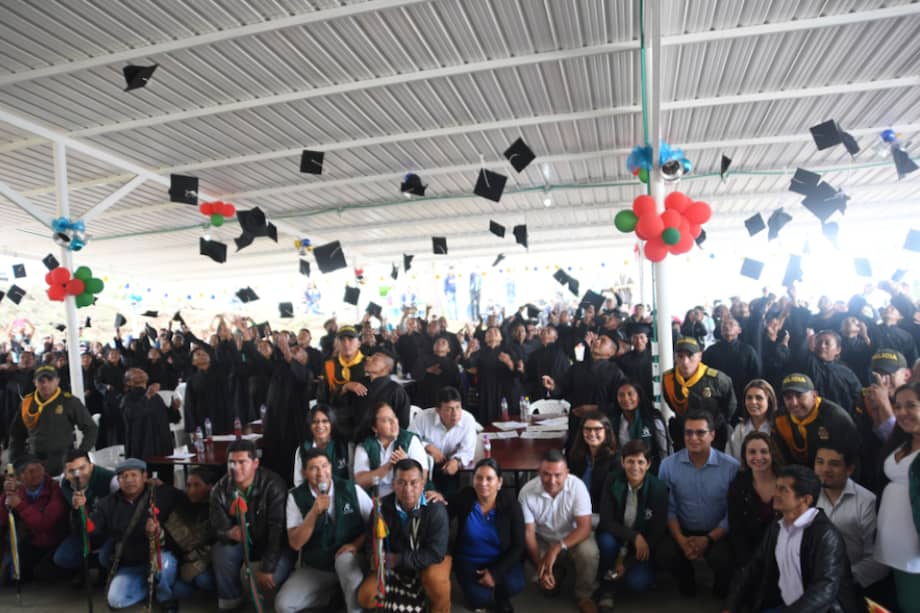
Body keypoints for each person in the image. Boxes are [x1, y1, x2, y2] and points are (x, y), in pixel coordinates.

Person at [724, 465, 863, 613]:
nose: (775, 494)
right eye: (776, 487)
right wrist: (730, 607)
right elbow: (753, 568)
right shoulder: (777, 527)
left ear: (806, 500)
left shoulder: (825, 535)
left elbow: (824, 589)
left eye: (783, 490)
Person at [276, 448, 372, 613]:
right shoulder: (295, 496)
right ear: (304, 472)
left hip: (351, 560)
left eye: (324, 466)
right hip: (317, 567)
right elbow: (295, 543)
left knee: (344, 562)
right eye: (313, 468)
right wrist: (313, 513)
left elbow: (376, 522)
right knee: (284, 605)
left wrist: (356, 544)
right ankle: (334, 594)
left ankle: (352, 607)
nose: (321, 473)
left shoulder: (350, 489)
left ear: (331, 467)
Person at [657, 410, 739, 598]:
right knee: (664, 553)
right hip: (683, 530)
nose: (693, 438)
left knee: (724, 560)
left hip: (717, 532)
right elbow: (668, 508)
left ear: (712, 435)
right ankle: (686, 580)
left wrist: (709, 539)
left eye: (700, 433)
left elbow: (732, 513)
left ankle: (721, 586)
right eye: (688, 433)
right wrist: (681, 540)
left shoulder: (730, 467)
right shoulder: (668, 466)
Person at [81, 458, 182, 611]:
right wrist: (80, 512)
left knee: (164, 566)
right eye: (123, 476)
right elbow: (92, 528)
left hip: (159, 555)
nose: (129, 480)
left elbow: (190, 499)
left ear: (145, 476)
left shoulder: (163, 494)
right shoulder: (107, 503)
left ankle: (165, 597)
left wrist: (158, 531)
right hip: (130, 563)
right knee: (116, 600)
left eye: (134, 475)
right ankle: (149, 587)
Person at [357, 459, 452, 613]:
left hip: (430, 559)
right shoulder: (381, 508)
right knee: (366, 596)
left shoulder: (435, 509)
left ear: (422, 484)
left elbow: (436, 553)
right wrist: (374, 557)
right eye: (401, 482)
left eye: (414, 483)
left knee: (436, 581)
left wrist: (398, 559)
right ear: (394, 484)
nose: (408, 489)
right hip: (393, 561)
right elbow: (371, 541)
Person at [209, 440, 292, 611]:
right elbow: (217, 527)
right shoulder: (220, 489)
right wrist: (228, 533)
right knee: (221, 552)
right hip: (241, 544)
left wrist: (267, 567)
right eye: (231, 462)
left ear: (255, 463)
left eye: (242, 462)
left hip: (274, 544)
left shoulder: (273, 484)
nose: (235, 467)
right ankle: (230, 601)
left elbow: (278, 530)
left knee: (270, 579)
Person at [518, 449, 599, 613]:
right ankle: (555, 571)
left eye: (558, 475)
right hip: (543, 539)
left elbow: (585, 527)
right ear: (538, 472)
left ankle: (584, 595)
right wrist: (540, 565)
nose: (552, 480)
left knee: (589, 553)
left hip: (574, 537)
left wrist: (557, 547)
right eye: (546, 474)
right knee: (548, 591)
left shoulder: (578, 487)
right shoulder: (526, 492)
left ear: (567, 473)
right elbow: (529, 533)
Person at [595, 440, 668, 612]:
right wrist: (634, 536)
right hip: (618, 537)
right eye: (630, 461)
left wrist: (627, 564)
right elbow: (606, 520)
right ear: (622, 462)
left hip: (642, 546)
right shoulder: (612, 480)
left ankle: (627, 572)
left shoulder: (658, 488)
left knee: (637, 583)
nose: (635, 467)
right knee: (605, 541)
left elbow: (657, 532)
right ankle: (607, 588)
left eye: (641, 462)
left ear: (649, 464)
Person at [447, 458, 525, 613]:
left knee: (515, 585)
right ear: (473, 479)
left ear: (500, 482)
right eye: (479, 478)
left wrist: (495, 573)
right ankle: (483, 594)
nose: (483, 483)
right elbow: (445, 507)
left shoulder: (510, 504)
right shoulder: (466, 497)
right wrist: (435, 496)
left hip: (500, 558)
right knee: (479, 600)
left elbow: (519, 546)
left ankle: (501, 597)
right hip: (469, 559)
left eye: (489, 478)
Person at [813, 442, 889, 591]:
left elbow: (878, 562)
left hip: (854, 586)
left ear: (849, 469)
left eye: (834, 464)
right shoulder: (807, 497)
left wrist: (837, 578)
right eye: (820, 462)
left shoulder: (867, 502)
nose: (825, 469)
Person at [874, 381, 920, 611]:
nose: (902, 412)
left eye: (911, 405)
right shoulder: (901, 441)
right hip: (891, 545)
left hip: (915, 550)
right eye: (898, 406)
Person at [9, 364, 98, 477]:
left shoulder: (69, 401)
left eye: (50, 380)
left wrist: (81, 452)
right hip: (34, 460)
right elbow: (16, 433)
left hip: (63, 460)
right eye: (41, 381)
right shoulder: (27, 403)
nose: (45, 384)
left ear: (57, 381)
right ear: (34, 382)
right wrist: (15, 460)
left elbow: (90, 428)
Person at [0, 454, 68, 582]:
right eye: (31, 471)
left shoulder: (55, 488)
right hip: (31, 542)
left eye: (40, 469)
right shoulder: (18, 489)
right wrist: (6, 496)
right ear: (20, 477)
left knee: (44, 573)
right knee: (9, 577)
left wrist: (20, 505)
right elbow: (2, 519)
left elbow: (46, 523)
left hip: (53, 542)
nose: (38, 474)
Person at [660, 337, 736, 452]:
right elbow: (671, 404)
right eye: (680, 356)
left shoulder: (717, 380)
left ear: (700, 356)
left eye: (690, 356)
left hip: (712, 439)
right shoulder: (668, 379)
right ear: (675, 358)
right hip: (684, 438)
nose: (685, 362)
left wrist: (715, 424)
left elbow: (730, 406)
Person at [53, 449, 118, 576]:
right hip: (83, 532)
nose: (78, 475)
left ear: (91, 466)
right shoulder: (63, 483)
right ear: (65, 473)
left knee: (106, 557)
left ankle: (104, 571)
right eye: (71, 471)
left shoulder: (110, 480)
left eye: (82, 468)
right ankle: (84, 569)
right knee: (62, 558)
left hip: (109, 533)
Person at [772, 373, 859, 468]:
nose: (794, 403)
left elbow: (852, 458)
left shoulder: (836, 418)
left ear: (814, 395)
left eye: (799, 395)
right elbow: (783, 457)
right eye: (788, 397)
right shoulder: (780, 419)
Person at [727, 432, 782, 568]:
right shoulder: (738, 485)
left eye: (764, 452)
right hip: (751, 554)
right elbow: (736, 528)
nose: (758, 457)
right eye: (752, 452)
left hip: (784, 551)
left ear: (772, 454)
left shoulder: (786, 481)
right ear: (745, 457)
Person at [353, 401, 428, 498]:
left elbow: (423, 477)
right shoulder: (365, 445)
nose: (393, 422)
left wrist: (406, 464)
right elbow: (360, 481)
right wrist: (388, 466)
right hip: (375, 499)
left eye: (394, 417)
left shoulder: (410, 440)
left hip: (406, 496)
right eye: (386, 420)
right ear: (375, 428)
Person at [410, 386, 476, 495]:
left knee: (450, 494)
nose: (455, 413)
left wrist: (457, 461)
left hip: (450, 465)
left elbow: (468, 450)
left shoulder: (468, 420)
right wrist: (427, 446)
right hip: (424, 465)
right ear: (438, 410)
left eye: (458, 407)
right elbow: (410, 439)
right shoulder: (423, 418)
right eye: (449, 409)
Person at [163, 467, 216, 599]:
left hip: (203, 562)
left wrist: (195, 564)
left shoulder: (215, 509)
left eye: (197, 485)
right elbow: (173, 537)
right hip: (181, 558)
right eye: (188, 485)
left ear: (210, 487)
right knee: (178, 590)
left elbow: (207, 544)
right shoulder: (182, 503)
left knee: (204, 581)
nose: (191, 490)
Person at [122, 367, 181, 484]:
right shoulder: (128, 398)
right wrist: (147, 397)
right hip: (143, 449)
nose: (140, 373)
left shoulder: (156, 396)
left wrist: (174, 408)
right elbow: (133, 414)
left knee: (166, 483)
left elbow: (169, 418)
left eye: (141, 371)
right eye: (135, 373)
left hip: (163, 448)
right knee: (146, 485)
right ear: (129, 382)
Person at [702, 317, 762, 410]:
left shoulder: (748, 350)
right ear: (720, 331)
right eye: (724, 325)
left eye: (731, 324)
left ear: (739, 330)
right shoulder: (711, 351)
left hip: (742, 397)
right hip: (717, 397)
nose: (726, 326)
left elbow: (756, 375)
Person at [610, 381, 669, 472]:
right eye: (621, 395)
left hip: (652, 471)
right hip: (624, 472)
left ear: (639, 396)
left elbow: (663, 450)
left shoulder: (653, 419)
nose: (626, 398)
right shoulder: (615, 422)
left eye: (630, 394)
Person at [566, 411, 619, 513]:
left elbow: (611, 499)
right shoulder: (575, 456)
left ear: (606, 431)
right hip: (576, 510)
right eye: (587, 429)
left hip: (601, 514)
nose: (592, 433)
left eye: (597, 429)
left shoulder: (615, 460)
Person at [321, 325, 366, 438]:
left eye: (350, 339)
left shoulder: (369, 364)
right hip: (336, 422)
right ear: (337, 344)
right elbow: (322, 398)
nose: (346, 344)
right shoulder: (329, 366)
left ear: (359, 343)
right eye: (342, 340)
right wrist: (344, 388)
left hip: (364, 421)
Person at [292, 404, 350, 487]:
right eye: (315, 422)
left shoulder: (344, 446)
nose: (320, 425)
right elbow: (299, 482)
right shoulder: (302, 449)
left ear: (332, 423)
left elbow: (352, 478)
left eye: (325, 421)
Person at [726, 379, 776, 461]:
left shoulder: (778, 427)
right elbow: (730, 459)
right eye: (749, 398)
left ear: (769, 401)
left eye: (759, 398)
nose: (753, 402)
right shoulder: (739, 429)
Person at [412, 337, 461, 410]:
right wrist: (427, 370)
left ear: (448, 349)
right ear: (433, 346)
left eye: (443, 342)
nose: (439, 343)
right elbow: (414, 375)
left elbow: (456, 385)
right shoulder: (423, 358)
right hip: (424, 398)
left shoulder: (452, 364)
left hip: (444, 401)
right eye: (437, 342)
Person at [524, 325, 570, 401]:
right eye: (544, 330)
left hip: (556, 394)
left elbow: (565, 374)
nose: (545, 331)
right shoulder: (534, 354)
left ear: (555, 338)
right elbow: (529, 375)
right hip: (537, 395)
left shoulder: (560, 353)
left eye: (548, 331)